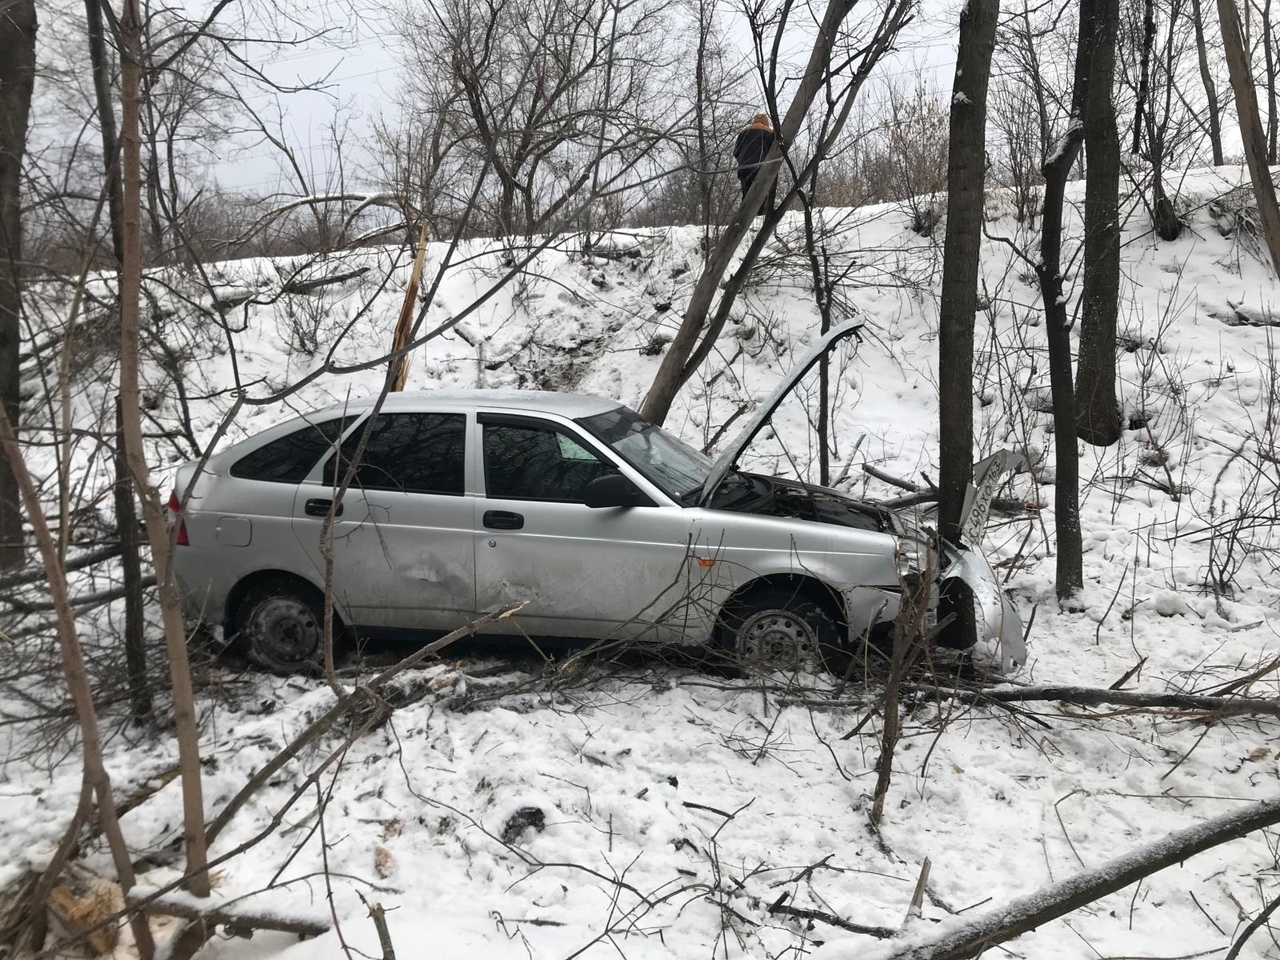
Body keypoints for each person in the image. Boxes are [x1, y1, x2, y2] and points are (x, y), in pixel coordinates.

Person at [733, 113, 775, 200]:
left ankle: (745, 213)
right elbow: (774, 153)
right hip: (762, 169)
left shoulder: (744, 132)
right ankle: (760, 213)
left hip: (744, 168)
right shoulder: (770, 134)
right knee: (761, 198)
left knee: (746, 196)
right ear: (766, 123)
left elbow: (736, 152)